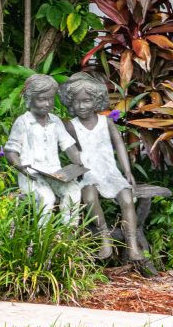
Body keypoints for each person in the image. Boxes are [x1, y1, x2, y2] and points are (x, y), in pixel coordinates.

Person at [58, 72, 144, 261]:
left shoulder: (106, 122)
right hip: (87, 173)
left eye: (87, 101)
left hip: (109, 171)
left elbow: (119, 144)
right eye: (77, 102)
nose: (81, 106)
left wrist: (127, 170)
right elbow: (68, 148)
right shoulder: (71, 126)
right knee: (89, 197)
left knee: (127, 198)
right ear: (70, 102)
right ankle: (105, 237)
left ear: (96, 100)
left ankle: (131, 244)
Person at [4, 74, 85, 223]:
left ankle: (68, 237)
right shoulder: (23, 122)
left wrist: (80, 163)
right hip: (31, 176)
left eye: (51, 98)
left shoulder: (55, 121)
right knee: (46, 198)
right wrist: (20, 167)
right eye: (42, 99)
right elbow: (10, 150)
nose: (47, 103)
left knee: (73, 192)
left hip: (55, 174)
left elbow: (68, 145)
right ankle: (43, 240)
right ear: (30, 99)